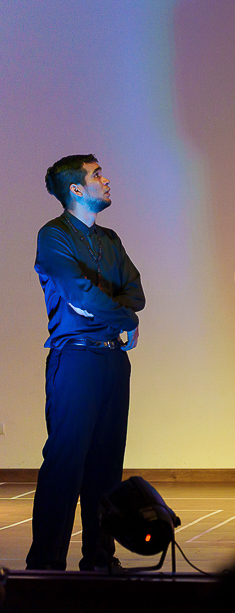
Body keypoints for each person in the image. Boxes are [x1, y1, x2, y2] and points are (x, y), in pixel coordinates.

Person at [28, 154, 145, 571]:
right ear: (76, 189)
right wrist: (124, 318)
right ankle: (45, 565)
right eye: (97, 175)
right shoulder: (53, 235)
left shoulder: (110, 239)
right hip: (75, 360)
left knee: (106, 465)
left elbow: (136, 293)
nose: (106, 179)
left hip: (113, 362)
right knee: (65, 463)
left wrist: (112, 312)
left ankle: (99, 557)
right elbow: (78, 294)